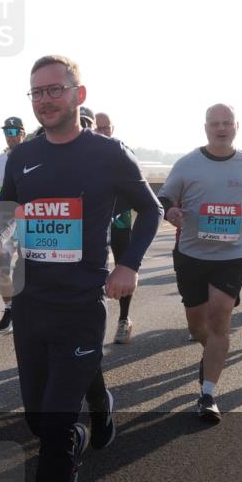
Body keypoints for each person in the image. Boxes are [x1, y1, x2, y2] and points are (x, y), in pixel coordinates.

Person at [0, 55, 162, 482]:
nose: (43, 100)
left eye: (54, 90)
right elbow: (7, 215)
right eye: (35, 93)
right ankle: (99, 404)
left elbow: (148, 209)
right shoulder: (24, 158)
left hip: (83, 305)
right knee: (39, 420)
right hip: (32, 306)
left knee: (55, 426)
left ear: (78, 95)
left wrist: (128, 264)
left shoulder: (107, 154)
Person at [158, 106, 242, 420]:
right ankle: (212, 350)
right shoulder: (188, 163)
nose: (221, 128)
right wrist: (169, 211)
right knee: (198, 325)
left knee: (220, 321)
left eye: (227, 123)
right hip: (191, 254)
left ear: (236, 126)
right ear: (205, 128)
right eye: (215, 124)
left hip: (230, 256)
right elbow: (163, 197)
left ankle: (207, 395)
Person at [92, 111, 136, 345]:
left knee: (122, 267)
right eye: (97, 128)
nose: (101, 132)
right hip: (93, 219)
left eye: (105, 128)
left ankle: (124, 318)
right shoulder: (82, 154)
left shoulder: (123, 152)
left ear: (113, 129)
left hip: (119, 218)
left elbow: (138, 192)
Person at [0, 117, 28, 336]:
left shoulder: (35, 153)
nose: (10, 135)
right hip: (7, 217)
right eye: (7, 131)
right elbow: (5, 188)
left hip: (29, 217)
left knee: (24, 267)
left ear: (23, 133)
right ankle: (10, 308)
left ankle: (25, 309)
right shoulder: (1, 159)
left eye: (14, 131)